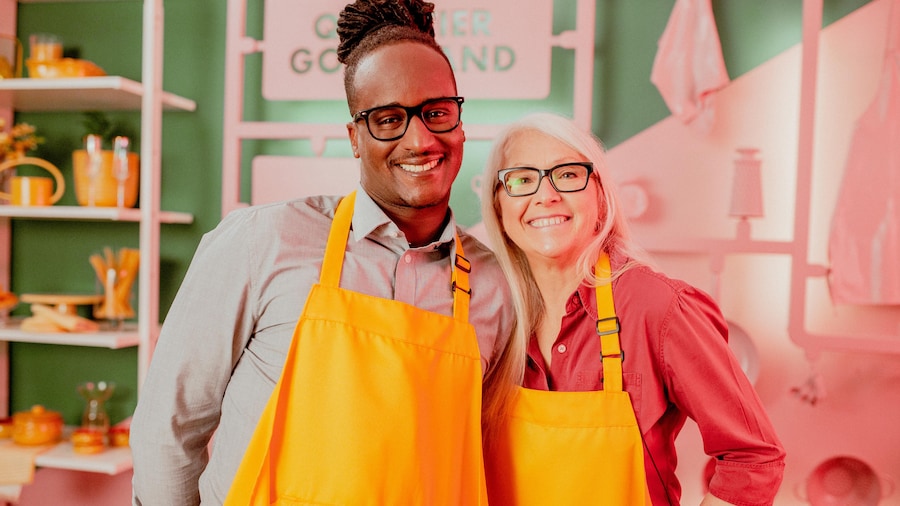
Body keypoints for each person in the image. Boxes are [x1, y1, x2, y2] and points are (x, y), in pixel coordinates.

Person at [130, 1, 513, 504]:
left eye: (436, 113)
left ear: (460, 122)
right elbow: (169, 428)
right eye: (388, 120)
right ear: (355, 138)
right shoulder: (262, 240)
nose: (420, 139)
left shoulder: (495, 285)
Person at [479, 112, 785, 506]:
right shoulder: (486, 312)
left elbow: (753, 456)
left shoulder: (655, 306)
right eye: (522, 180)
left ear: (600, 194)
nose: (546, 195)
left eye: (568, 175)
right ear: (499, 207)